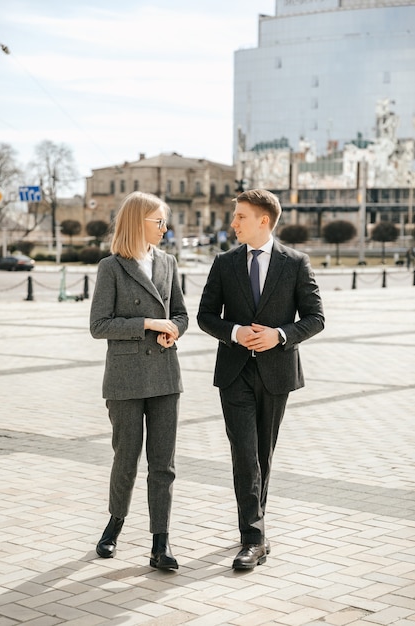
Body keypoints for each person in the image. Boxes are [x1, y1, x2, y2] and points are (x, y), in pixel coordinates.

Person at [197, 189, 324, 571]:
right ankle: (252, 538)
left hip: (277, 373)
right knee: (244, 454)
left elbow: (315, 318)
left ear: (263, 220)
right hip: (234, 372)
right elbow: (205, 315)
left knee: (262, 455)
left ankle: (257, 530)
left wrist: (279, 336)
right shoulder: (224, 263)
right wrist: (235, 332)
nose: (233, 223)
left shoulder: (296, 263)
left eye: (239, 217)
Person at [90, 191, 188, 570]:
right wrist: (148, 323)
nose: (165, 228)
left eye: (164, 222)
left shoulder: (168, 262)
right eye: (158, 222)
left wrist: (174, 330)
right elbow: (99, 326)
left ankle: (160, 543)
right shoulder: (111, 267)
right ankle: (115, 523)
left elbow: (180, 313)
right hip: (126, 378)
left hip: (165, 374)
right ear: (138, 223)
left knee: (163, 463)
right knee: (126, 458)